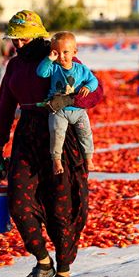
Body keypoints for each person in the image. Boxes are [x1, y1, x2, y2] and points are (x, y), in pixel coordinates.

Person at [0, 10, 103, 277]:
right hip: (27, 136)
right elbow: (4, 105)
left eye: (23, 39)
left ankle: (63, 272)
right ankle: (43, 262)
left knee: (61, 206)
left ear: (37, 36)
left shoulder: (58, 55)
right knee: (18, 202)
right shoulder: (15, 66)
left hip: (59, 135)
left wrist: (71, 99)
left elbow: (96, 91)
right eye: (15, 39)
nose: (18, 44)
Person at [36, 31, 98, 175]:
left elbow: (93, 80)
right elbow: (41, 72)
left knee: (86, 133)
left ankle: (89, 158)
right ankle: (56, 160)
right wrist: (49, 59)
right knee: (57, 133)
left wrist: (88, 87)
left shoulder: (81, 69)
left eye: (65, 52)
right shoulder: (54, 67)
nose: (61, 56)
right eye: (56, 53)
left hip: (78, 110)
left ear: (74, 52)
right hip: (59, 110)